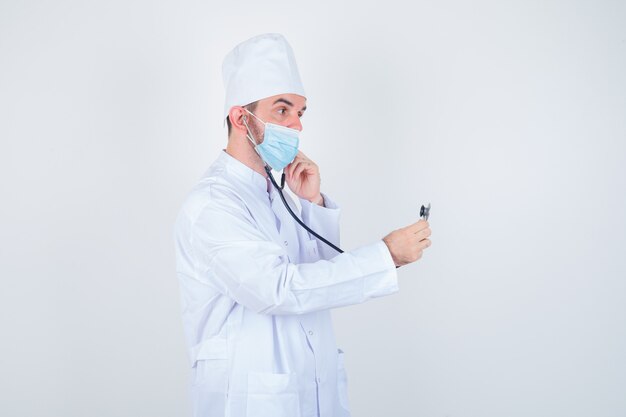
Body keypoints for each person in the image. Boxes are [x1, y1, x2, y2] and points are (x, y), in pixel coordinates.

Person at [173, 33, 432, 417]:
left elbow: (319, 280)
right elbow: (278, 291)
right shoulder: (212, 205)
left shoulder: (275, 193)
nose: (296, 125)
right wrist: (385, 255)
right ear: (240, 117)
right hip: (249, 399)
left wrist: (312, 203)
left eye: (300, 112)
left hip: (307, 391)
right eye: (282, 110)